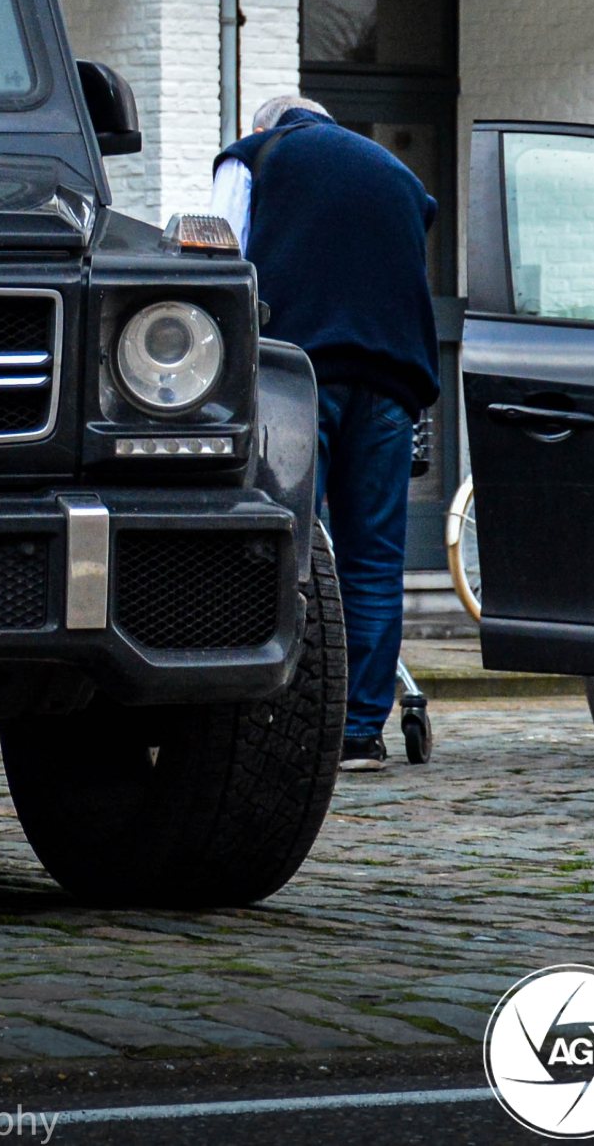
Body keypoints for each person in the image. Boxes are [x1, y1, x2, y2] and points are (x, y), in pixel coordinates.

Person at [211, 95, 438, 769]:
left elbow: (219, 266)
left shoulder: (259, 156)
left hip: (301, 378)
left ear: (265, 125)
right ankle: (359, 733)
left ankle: (272, 712)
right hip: (392, 385)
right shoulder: (400, 175)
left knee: (284, 547)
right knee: (373, 560)